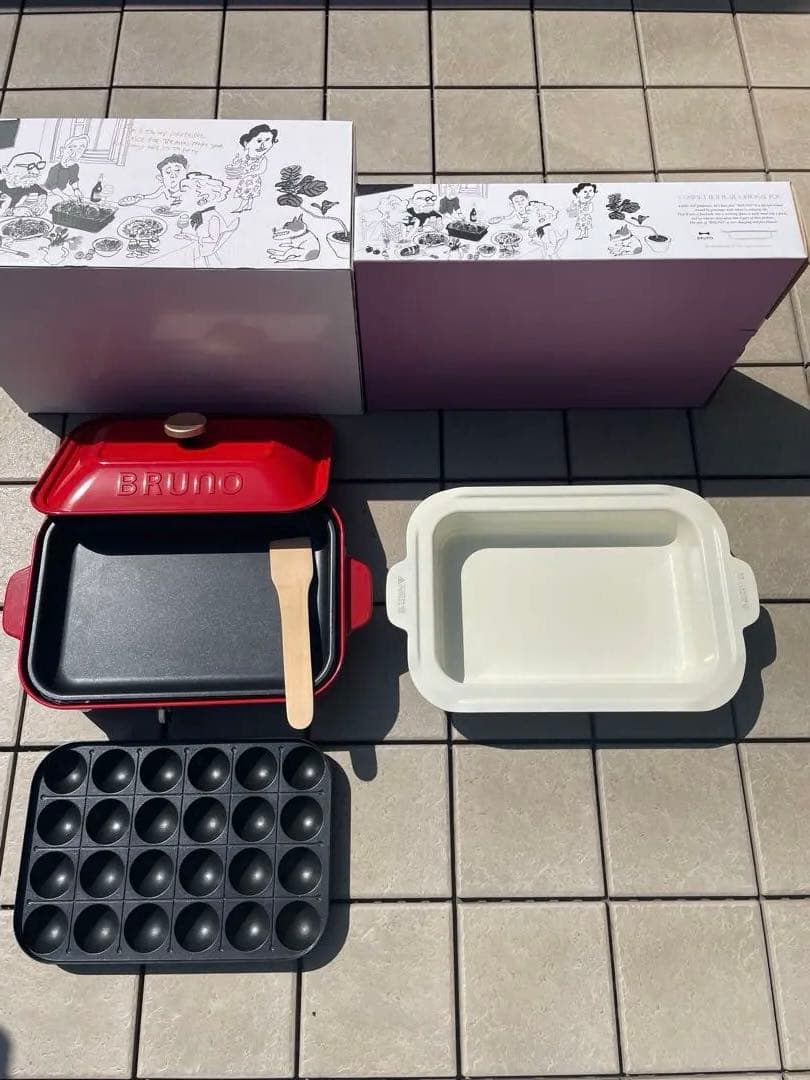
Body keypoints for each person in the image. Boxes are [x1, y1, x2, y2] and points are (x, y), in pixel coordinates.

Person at [175, 171, 239, 267]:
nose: (179, 196)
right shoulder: (205, 214)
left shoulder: (213, 217)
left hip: (205, 249)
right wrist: (189, 236)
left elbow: (213, 239)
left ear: (203, 198)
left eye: (185, 192)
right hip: (201, 246)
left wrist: (193, 238)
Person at [227, 124, 278, 213]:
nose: (263, 145)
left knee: (247, 195)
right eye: (259, 141)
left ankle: (241, 207)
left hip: (253, 180)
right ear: (246, 144)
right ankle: (249, 206)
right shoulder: (246, 156)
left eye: (267, 140)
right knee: (248, 194)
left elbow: (261, 170)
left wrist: (248, 174)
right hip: (245, 179)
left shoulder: (262, 159)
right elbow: (239, 164)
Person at [0, 152, 48, 216]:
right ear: (5, 170)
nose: (36, 172)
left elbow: (42, 192)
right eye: (30, 166)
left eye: (38, 166)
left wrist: (41, 202)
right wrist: (14, 212)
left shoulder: (28, 185)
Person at [44, 135, 88, 200]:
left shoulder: (74, 167)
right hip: (47, 192)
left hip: (60, 193)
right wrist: (66, 197)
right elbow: (53, 188)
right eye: (71, 150)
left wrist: (76, 189)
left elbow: (73, 180)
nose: (73, 155)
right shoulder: (55, 169)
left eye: (79, 151)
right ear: (62, 151)